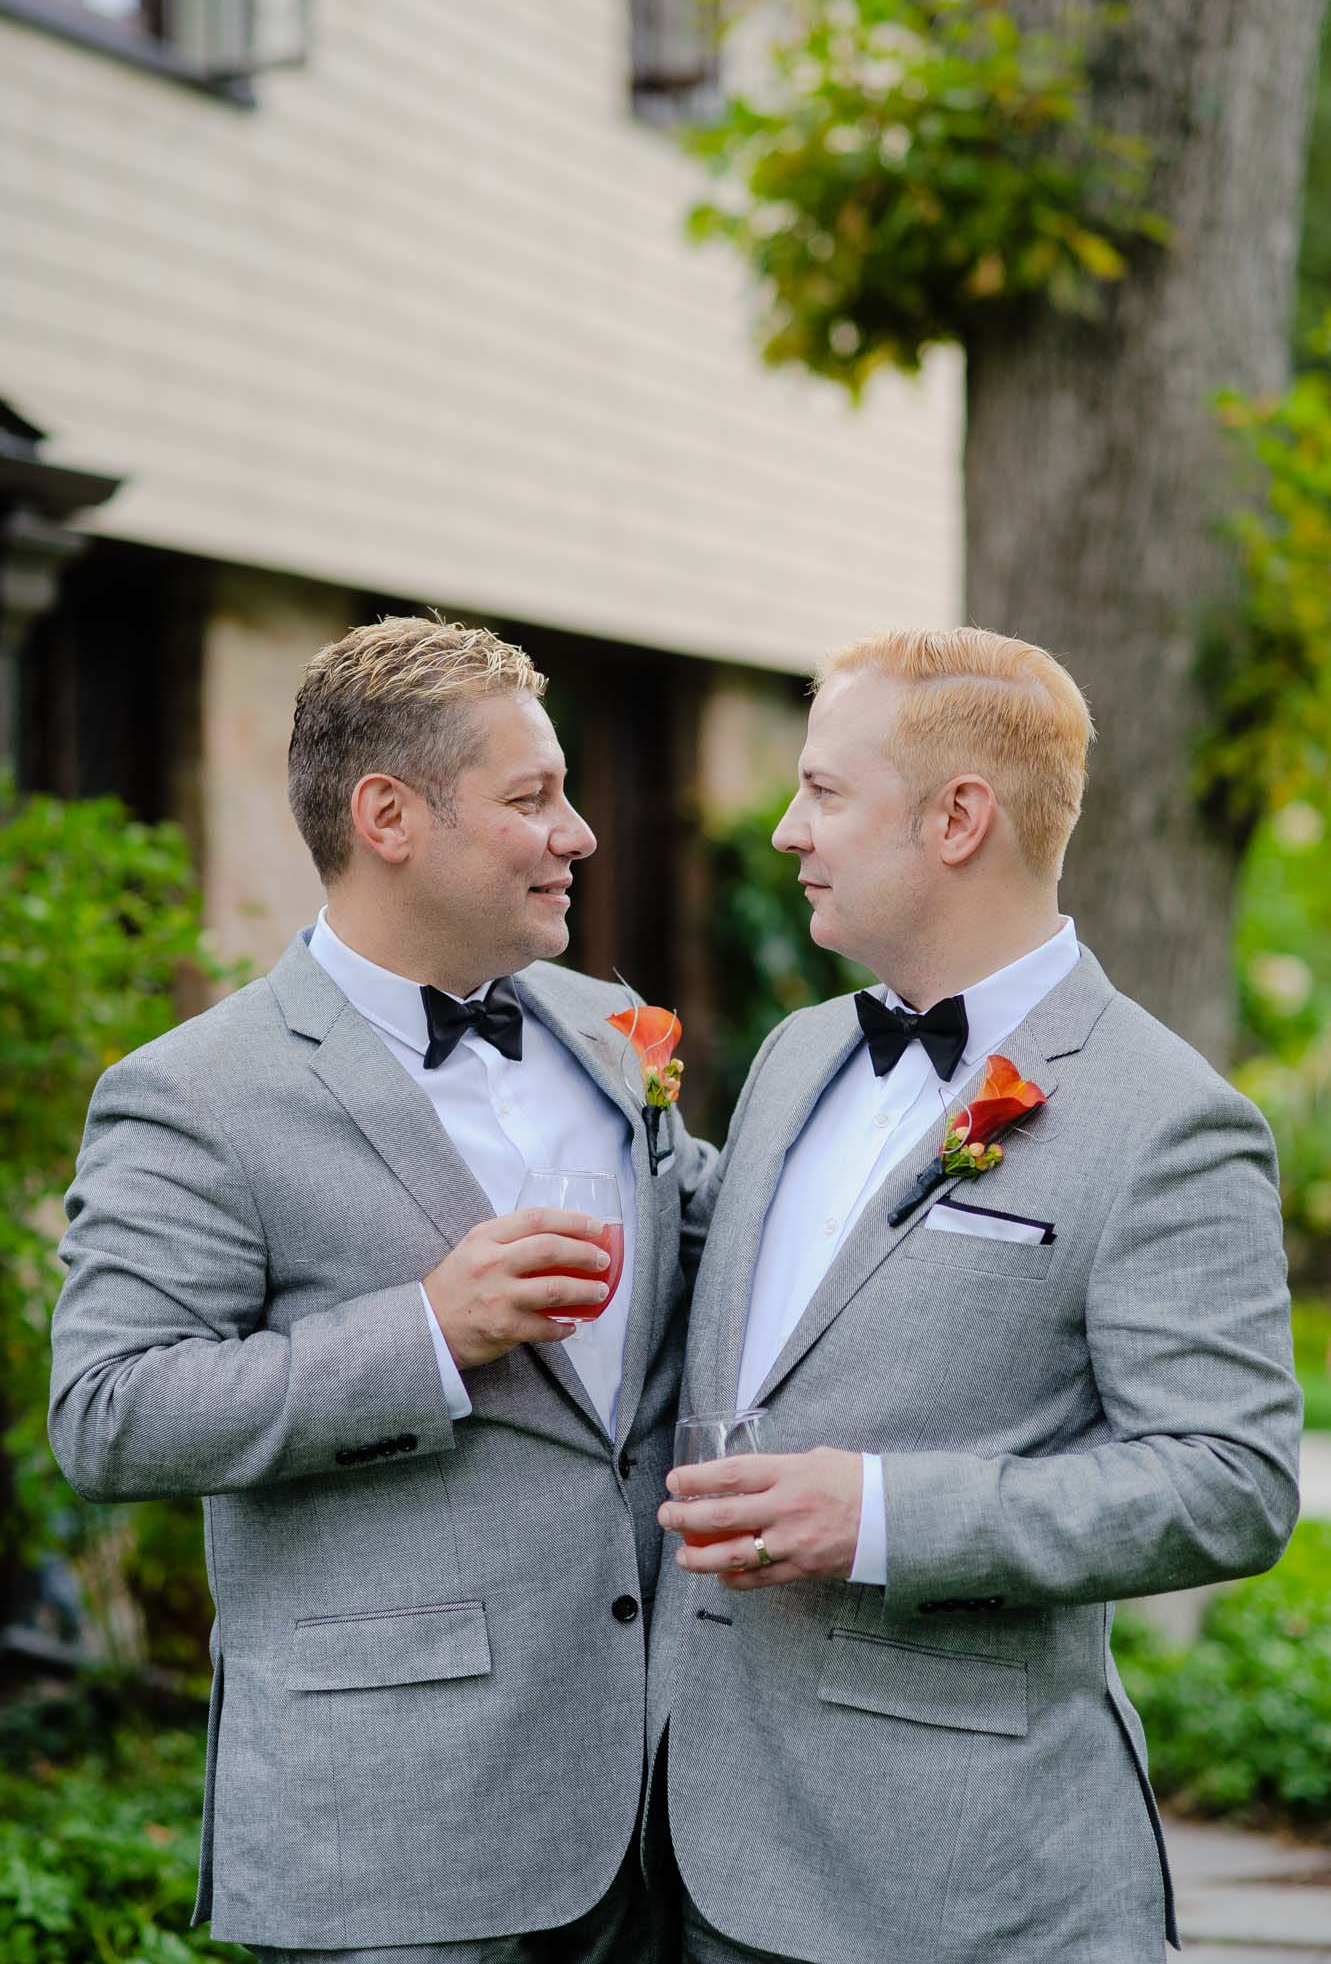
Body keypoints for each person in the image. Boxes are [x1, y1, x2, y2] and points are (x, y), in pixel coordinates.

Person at [50, 616, 713, 1964]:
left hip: (662, 1812)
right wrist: (428, 1332)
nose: (578, 832)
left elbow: (730, 1253)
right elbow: (109, 1413)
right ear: (389, 816)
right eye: (532, 799)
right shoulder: (197, 1094)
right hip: (391, 1833)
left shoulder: (608, 1029)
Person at [650, 625, 1301, 1964]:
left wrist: (883, 1514)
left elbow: (1231, 1482)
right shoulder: (798, 1053)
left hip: (963, 1882)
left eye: (824, 792)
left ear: (959, 817)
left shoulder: (1170, 1120)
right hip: (692, 1850)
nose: (784, 832)